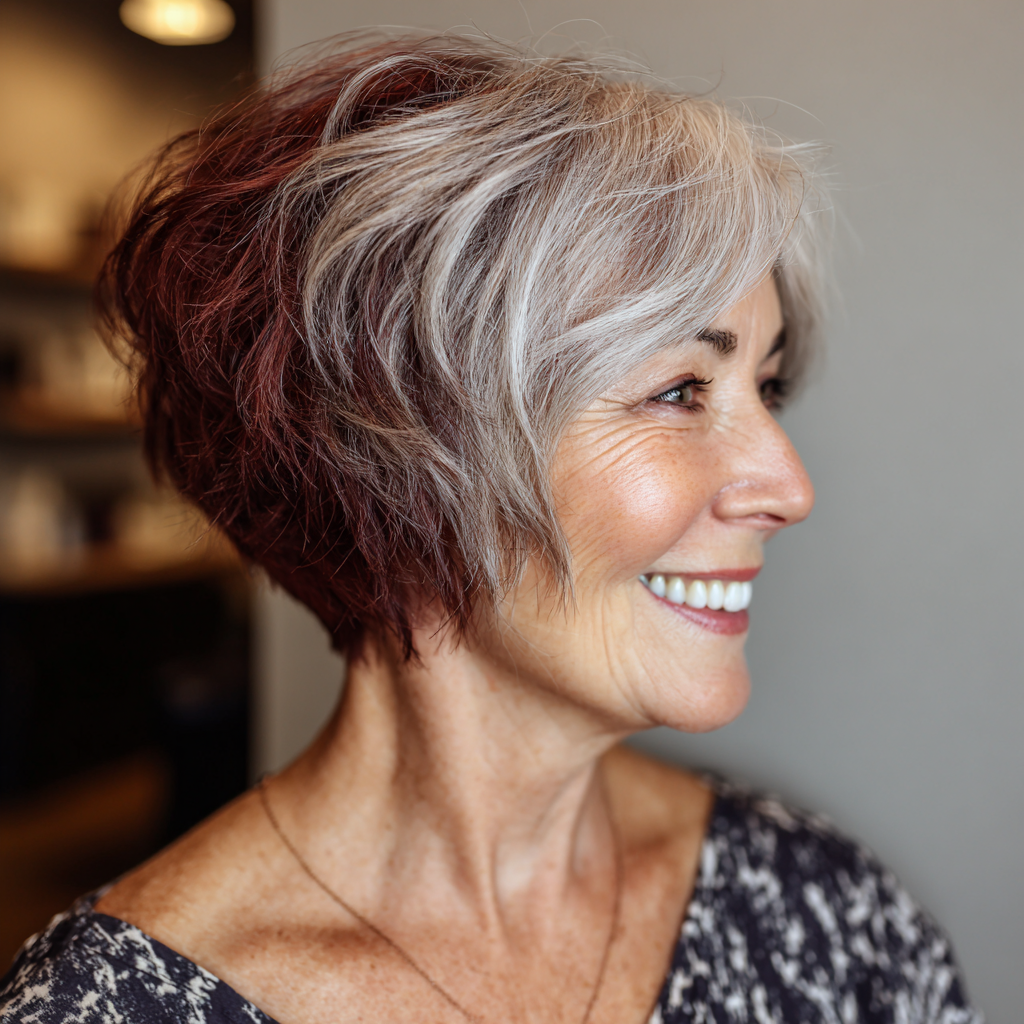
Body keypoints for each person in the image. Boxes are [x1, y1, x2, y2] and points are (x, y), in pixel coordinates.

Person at [0, 33, 981, 1024]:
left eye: (765, 386)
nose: (789, 485)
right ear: (402, 453)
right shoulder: (108, 1007)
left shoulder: (826, 913)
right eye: (680, 389)